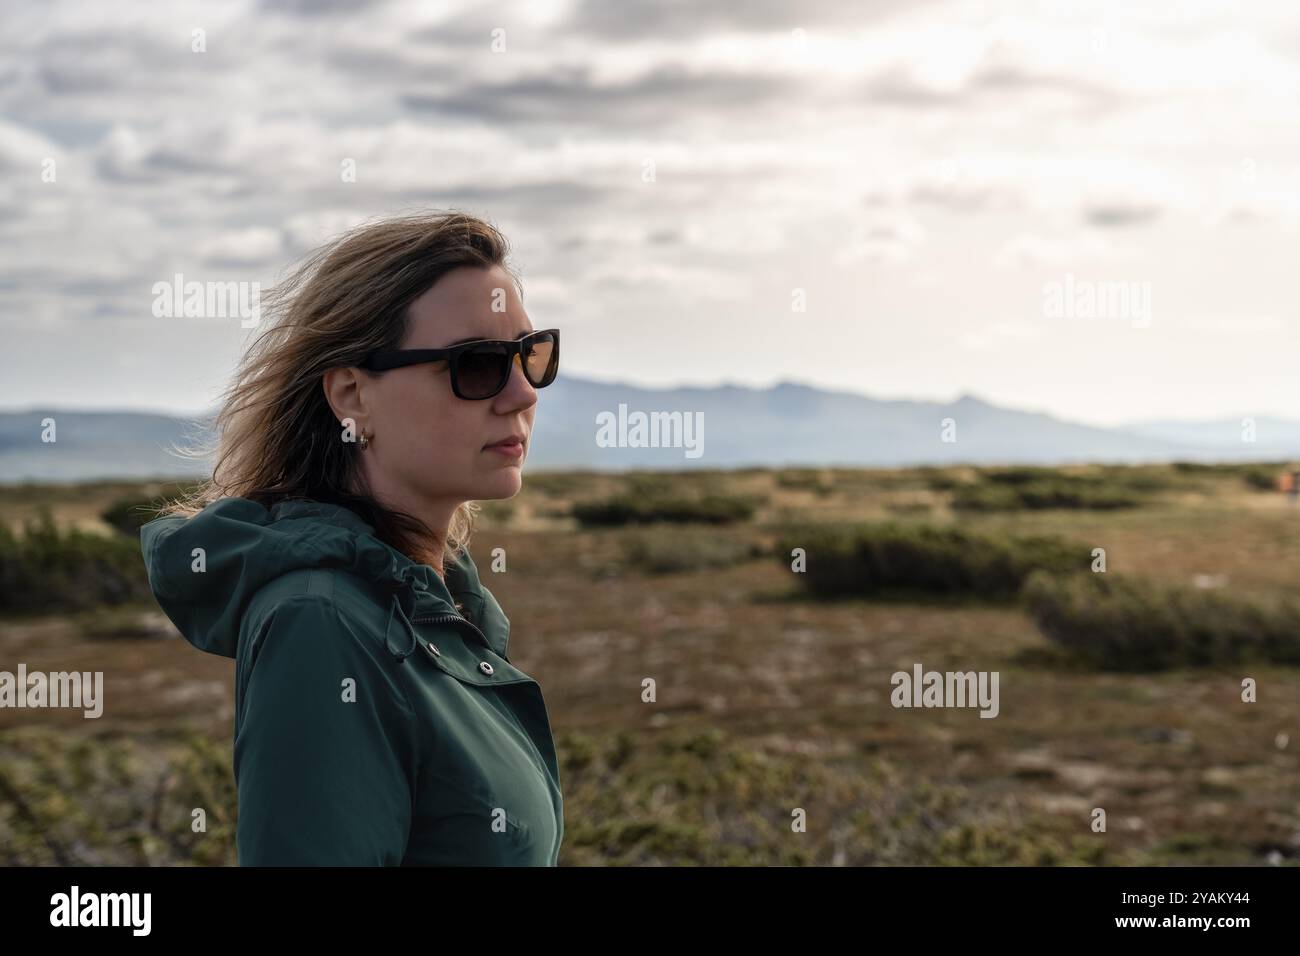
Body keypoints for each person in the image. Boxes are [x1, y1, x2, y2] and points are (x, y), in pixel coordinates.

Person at [140, 210, 564, 865]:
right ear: (351, 395)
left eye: (529, 355)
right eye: (476, 364)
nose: (519, 393)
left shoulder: (431, 600)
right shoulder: (324, 623)